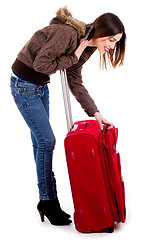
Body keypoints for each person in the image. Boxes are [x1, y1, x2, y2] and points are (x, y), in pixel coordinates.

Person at [10, 6, 126, 226]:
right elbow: (41, 64)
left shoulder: (87, 47)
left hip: (39, 87)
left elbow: (74, 81)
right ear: (100, 31)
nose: (111, 46)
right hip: (23, 85)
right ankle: (48, 200)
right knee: (46, 142)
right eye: (111, 40)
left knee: (40, 143)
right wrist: (73, 55)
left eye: (115, 42)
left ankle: (46, 201)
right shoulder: (70, 34)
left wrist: (95, 112)